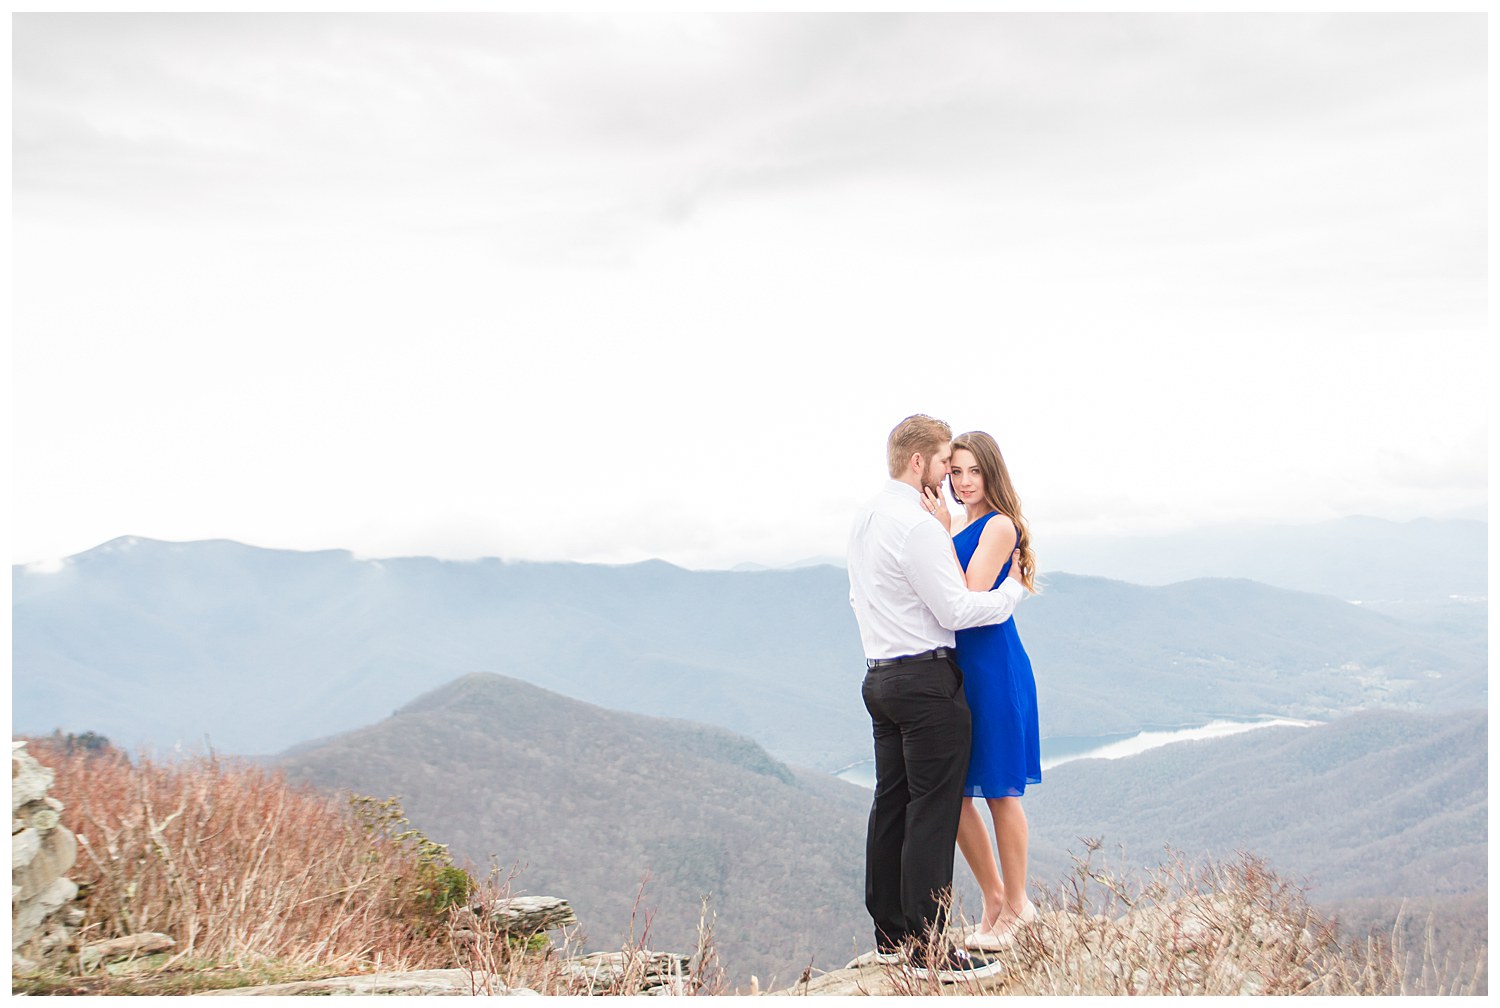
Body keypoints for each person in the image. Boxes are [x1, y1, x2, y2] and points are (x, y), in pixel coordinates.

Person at [846, 414, 1028, 982]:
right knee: (934, 809)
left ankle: (891, 938)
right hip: (925, 680)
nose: (951, 473)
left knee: (892, 803)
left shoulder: (867, 517)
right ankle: (928, 948)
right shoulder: (919, 525)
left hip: (879, 676)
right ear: (919, 462)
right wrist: (1013, 593)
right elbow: (957, 609)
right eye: (947, 462)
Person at [939, 430, 1042, 951]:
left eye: (973, 470)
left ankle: (1018, 905)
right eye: (955, 471)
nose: (963, 482)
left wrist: (936, 536)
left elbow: (968, 592)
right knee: (954, 793)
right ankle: (994, 897)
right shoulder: (963, 523)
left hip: (995, 669)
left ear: (991, 472)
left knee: (1001, 790)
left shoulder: (999, 526)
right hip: (961, 671)